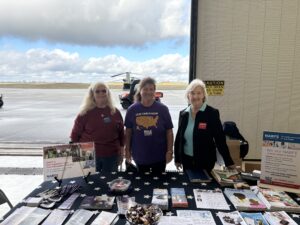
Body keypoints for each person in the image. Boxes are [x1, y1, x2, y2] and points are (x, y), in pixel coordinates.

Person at [174, 79, 234, 172]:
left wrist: (228, 161)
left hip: (205, 161)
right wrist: (177, 159)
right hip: (187, 160)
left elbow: (220, 139)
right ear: (188, 95)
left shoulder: (212, 113)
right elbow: (179, 138)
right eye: (192, 93)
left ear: (203, 95)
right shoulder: (183, 114)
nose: (195, 96)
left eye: (199, 93)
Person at [70, 82, 124, 172]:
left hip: (111, 155)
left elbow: (121, 135)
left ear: (108, 93)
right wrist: (77, 157)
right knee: (90, 183)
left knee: (110, 182)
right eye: (97, 91)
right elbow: (74, 135)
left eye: (104, 91)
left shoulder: (115, 112)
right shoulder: (84, 113)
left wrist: (121, 154)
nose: (101, 93)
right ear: (92, 94)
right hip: (89, 156)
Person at [124, 77, 173, 173]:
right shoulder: (132, 110)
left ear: (154, 91)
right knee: (142, 185)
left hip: (159, 156)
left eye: (151, 89)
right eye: (145, 89)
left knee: (159, 184)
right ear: (140, 91)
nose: (148, 92)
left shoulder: (163, 109)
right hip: (140, 156)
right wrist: (127, 150)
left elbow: (169, 132)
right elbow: (128, 132)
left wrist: (170, 151)